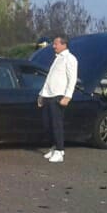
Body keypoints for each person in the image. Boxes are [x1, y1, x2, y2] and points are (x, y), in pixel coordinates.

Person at [37, 34, 78, 163]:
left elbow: (72, 79)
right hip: (48, 95)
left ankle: (60, 150)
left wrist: (68, 96)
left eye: (56, 44)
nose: (53, 46)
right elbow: (49, 79)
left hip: (58, 96)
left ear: (63, 44)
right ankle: (54, 147)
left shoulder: (70, 59)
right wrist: (41, 94)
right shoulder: (57, 59)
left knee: (57, 124)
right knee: (47, 123)